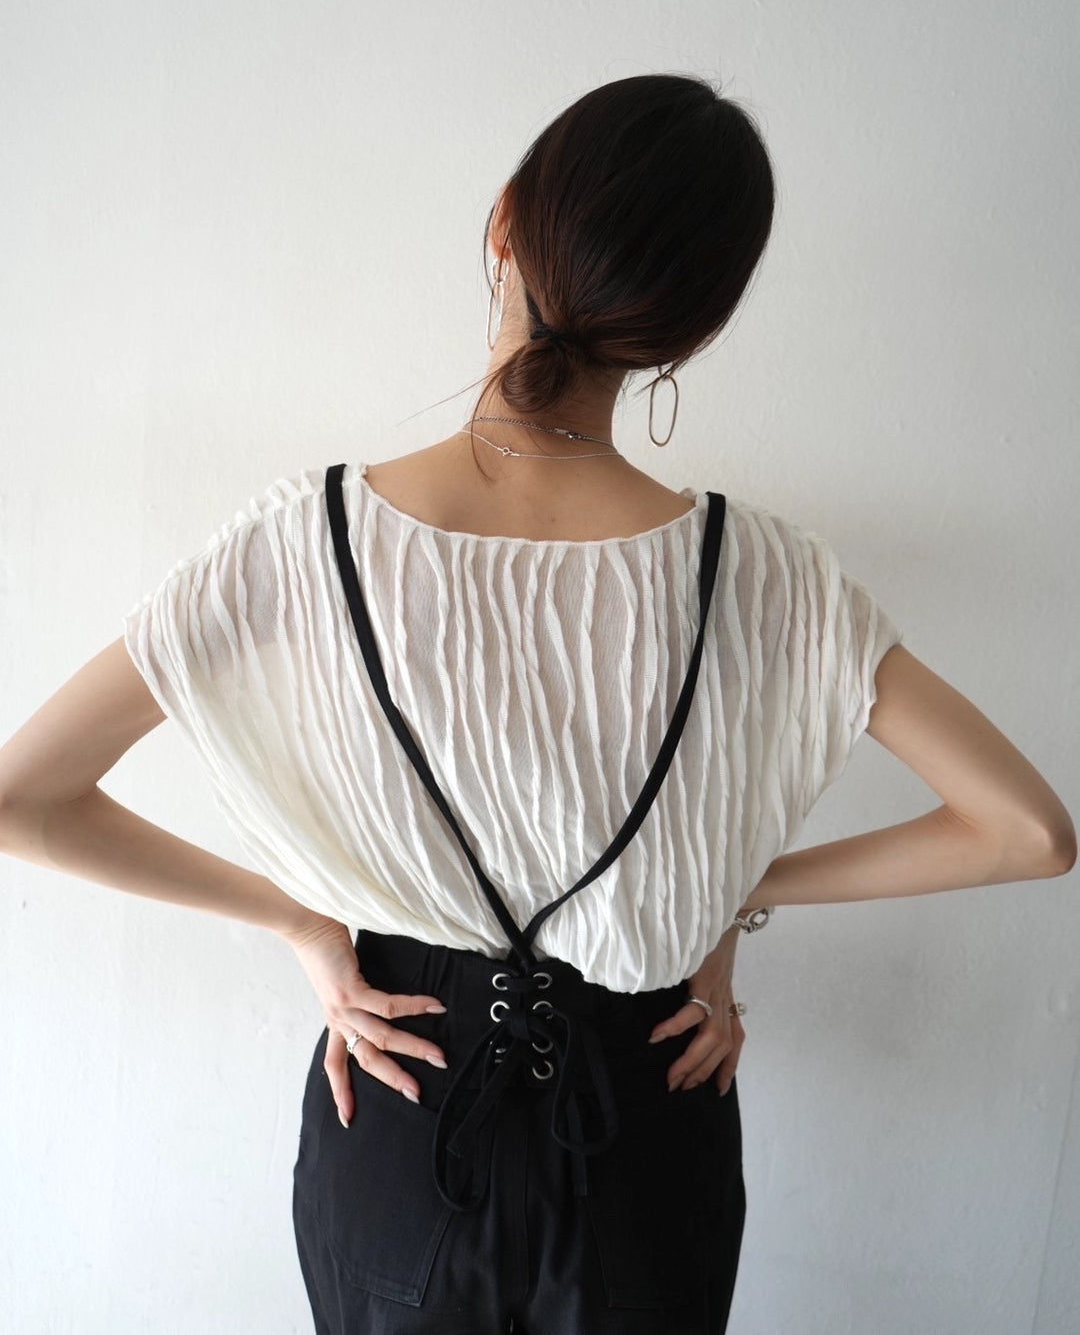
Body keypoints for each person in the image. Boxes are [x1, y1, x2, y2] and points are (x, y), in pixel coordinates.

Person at [0, 73, 1074, 1334]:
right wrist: (728, 889)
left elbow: (24, 798)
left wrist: (305, 923)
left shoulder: (306, 543)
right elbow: (1029, 832)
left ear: (504, 221)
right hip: (647, 1131)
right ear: (690, 332)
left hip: (398, 1119)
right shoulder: (762, 576)